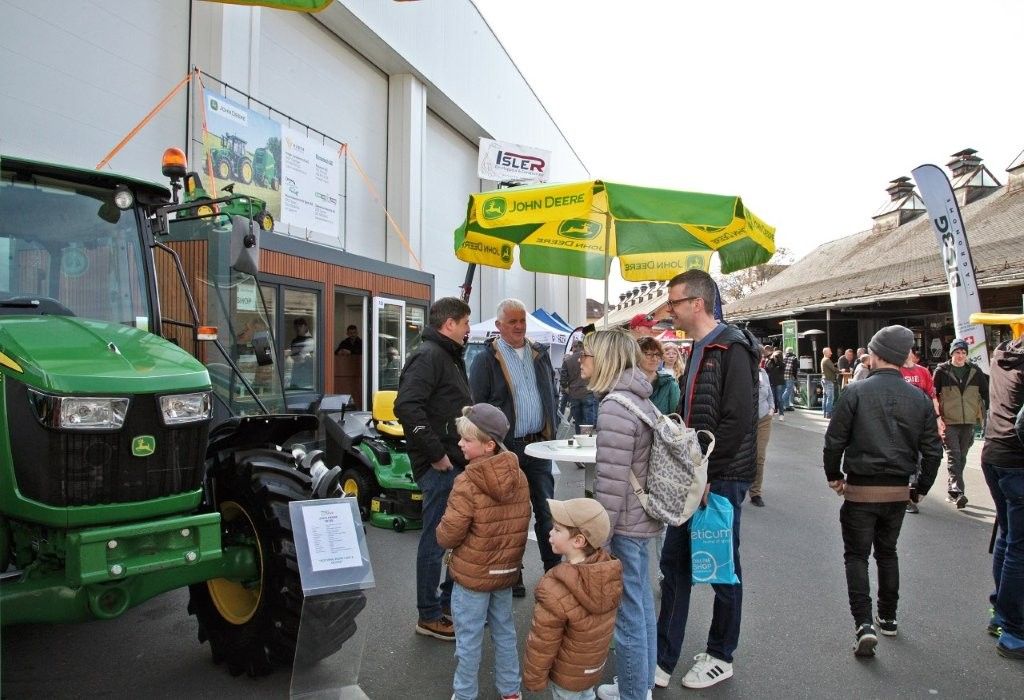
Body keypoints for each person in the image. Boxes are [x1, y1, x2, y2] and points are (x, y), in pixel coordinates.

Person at [655, 269, 759, 691]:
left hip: (720, 477)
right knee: (676, 563)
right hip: (700, 474)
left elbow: (737, 421)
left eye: (675, 302)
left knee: (719, 567)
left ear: (697, 303)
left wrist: (710, 477)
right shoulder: (702, 347)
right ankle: (662, 661)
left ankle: (720, 655)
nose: (670, 310)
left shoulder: (731, 348)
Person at [823, 325, 942, 657]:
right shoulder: (918, 398)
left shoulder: (856, 392)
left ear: (874, 355)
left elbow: (834, 441)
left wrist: (834, 476)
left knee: (856, 555)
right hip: (897, 491)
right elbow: (933, 451)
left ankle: (864, 624)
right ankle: (888, 616)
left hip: (861, 487)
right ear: (903, 359)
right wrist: (920, 488)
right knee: (887, 552)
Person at [582, 330, 660, 700]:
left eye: (586, 354)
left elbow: (611, 483)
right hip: (642, 518)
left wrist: (601, 535)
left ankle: (632, 692)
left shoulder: (615, 405)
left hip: (625, 522)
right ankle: (639, 685)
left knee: (628, 614)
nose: (581, 360)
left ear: (605, 359)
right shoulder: (640, 397)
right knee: (641, 604)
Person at [437, 403, 531, 700]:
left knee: (469, 638)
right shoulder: (520, 476)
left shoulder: (466, 482)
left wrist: (440, 533)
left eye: (466, 439)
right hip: (505, 573)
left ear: (488, 445)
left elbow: (449, 534)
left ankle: (464, 694)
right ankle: (510, 690)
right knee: (504, 631)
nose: (460, 443)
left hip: (472, 576)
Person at [394, 297, 473, 642]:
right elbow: (407, 407)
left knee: (455, 537)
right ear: (450, 324)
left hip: (455, 461)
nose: (469, 330)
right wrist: (437, 455)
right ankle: (429, 615)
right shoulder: (429, 356)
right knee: (436, 540)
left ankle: (447, 605)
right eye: (466, 323)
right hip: (441, 466)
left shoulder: (448, 356)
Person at [470, 298, 561, 593]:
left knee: (547, 512)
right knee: (510, 515)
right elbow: (478, 406)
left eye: (522, 320)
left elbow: (552, 395)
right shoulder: (486, 359)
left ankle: (553, 573)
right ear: (499, 326)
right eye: (512, 321)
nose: (520, 326)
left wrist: (552, 429)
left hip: (539, 446)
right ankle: (512, 575)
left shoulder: (539, 354)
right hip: (506, 449)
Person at [523, 498, 623, 700]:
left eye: (557, 530)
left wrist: (534, 678)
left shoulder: (555, 587)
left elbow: (544, 640)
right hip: (592, 669)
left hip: (566, 676)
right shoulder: (608, 573)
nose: (550, 533)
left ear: (578, 541)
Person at [980, 330, 1024, 660]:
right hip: (1016, 460)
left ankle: (1000, 613)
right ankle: (1013, 629)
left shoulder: (1001, 353)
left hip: (993, 452)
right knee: (1019, 546)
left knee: (1009, 538)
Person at [933, 338, 989, 509]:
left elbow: (986, 394)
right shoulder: (942, 371)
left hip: (969, 421)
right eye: (957, 352)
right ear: (951, 354)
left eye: (963, 352)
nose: (960, 355)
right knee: (954, 455)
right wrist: (937, 418)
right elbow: (933, 394)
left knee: (962, 456)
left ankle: (952, 490)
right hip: (949, 421)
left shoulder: (975, 371)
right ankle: (959, 491)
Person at [901, 346, 936, 514]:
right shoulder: (896, 372)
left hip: (922, 423)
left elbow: (932, 395)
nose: (907, 354)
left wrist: (938, 418)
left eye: (909, 350)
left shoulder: (923, 372)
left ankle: (916, 489)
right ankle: (907, 497)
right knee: (909, 461)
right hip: (903, 425)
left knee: (923, 459)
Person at [750, 365, 774, 507]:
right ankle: (737, 486)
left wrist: (771, 408)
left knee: (759, 456)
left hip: (763, 418)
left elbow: (769, 392)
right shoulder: (740, 370)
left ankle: (755, 492)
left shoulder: (763, 372)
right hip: (744, 420)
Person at [637, 337, 680, 416]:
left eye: (657, 354)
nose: (654, 359)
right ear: (637, 356)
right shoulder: (628, 383)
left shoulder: (670, 384)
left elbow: (675, 416)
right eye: (649, 354)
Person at [561, 340, 597, 431]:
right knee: (588, 421)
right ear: (582, 347)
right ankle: (588, 440)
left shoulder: (567, 360)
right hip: (587, 392)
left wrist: (567, 389)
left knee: (578, 421)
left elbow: (563, 379)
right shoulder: (589, 358)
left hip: (574, 393)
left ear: (573, 347)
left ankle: (579, 439)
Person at [288, 317, 316, 389]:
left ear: (305, 326)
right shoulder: (295, 340)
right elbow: (294, 356)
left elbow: (302, 357)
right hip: (296, 372)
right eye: (296, 327)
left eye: (300, 326)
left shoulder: (311, 341)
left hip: (306, 374)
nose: (298, 329)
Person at [765, 349, 786, 420]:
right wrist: (771, 359)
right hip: (772, 382)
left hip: (779, 383)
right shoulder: (771, 362)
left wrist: (777, 359)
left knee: (779, 398)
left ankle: (781, 414)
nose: (774, 357)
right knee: (772, 398)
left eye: (776, 356)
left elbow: (781, 366)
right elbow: (767, 368)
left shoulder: (782, 364)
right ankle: (773, 412)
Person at [820, 347, 838, 418]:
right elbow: (833, 369)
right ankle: (828, 413)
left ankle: (824, 412)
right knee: (830, 397)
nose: (831, 353)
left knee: (825, 396)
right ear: (826, 352)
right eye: (830, 351)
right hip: (828, 380)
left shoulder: (823, 359)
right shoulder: (827, 360)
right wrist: (841, 371)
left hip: (824, 379)